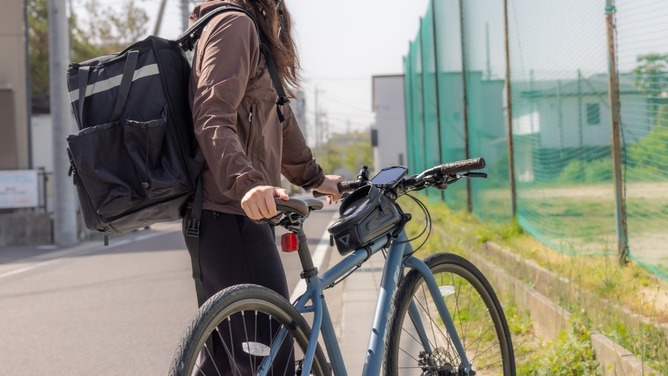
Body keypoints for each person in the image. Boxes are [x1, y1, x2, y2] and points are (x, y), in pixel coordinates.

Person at [182, 0, 342, 373]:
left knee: (225, 365)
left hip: (234, 217)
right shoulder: (234, 25)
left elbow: (277, 118)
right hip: (232, 217)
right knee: (271, 362)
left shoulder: (251, 26)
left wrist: (315, 178)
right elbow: (211, 114)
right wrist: (248, 184)